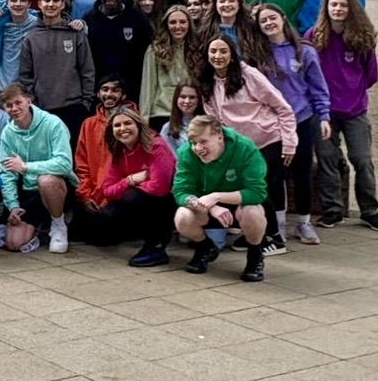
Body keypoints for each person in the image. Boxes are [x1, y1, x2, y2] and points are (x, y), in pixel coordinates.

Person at [198, 36, 296, 256]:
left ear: (232, 54)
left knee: (256, 190)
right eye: (213, 51)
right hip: (241, 149)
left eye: (223, 51)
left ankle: (275, 239)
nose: (218, 56)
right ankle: (255, 234)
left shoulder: (248, 75)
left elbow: (283, 107)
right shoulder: (207, 81)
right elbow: (216, 120)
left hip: (268, 141)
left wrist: (290, 143)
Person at [305, 0, 378, 231]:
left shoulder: (362, 36)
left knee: (362, 159)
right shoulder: (314, 36)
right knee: (327, 160)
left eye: (343, 5)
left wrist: (353, 91)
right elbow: (307, 72)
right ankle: (332, 210)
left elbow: (371, 75)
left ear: (350, 8)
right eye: (333, 5)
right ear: (326, 8)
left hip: (355, 111)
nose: (338, 9)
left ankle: (369, 211)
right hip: (324, 112)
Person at [257, 2, 330, 245]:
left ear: (282, 18)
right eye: (263, 20)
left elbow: (318, 87)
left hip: (301, 119)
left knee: (302, 172)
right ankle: (278, 224)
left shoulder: (304, 50)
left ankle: (304, 223)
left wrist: (324, 116)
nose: (269, 23)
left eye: (272, 18)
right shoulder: (259, 53)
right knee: (275, 174)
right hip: (272, 123)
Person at [173, 115, 269, 282]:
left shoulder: (245, 148)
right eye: (193, 143)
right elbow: (181, 192)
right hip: (206, 206)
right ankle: (204, 247)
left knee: (253, 212)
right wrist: (211, 206)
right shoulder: (185, 153)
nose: (198, 148)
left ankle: (255, 254)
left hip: (238, 202)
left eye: (203, 142)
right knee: (182, 217)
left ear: (219, 137)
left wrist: (216, 197)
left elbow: (257, 192)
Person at [0, 83, 77, 254]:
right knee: (13, 243)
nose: (14, 108)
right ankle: (39, 228)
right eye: (9, 105)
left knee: (46, 180)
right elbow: (7, 173)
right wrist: (12, 205)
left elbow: (64, 163)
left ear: (28, 100)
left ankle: (58, 224)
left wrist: (25, 167)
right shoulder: (7, 133)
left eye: (18, 102)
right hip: (29, 190)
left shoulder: (53, 123)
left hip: (57, 185)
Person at [19, 0, 95, 147]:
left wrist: (86, 102)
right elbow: (25, 76)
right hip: (43, 109)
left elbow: (87, 70)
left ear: (63, 4)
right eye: (46, 0)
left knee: (73, 155)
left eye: (55, 0)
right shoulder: (31, 38)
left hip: (74, 107)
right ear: (39, 4)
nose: (51, 4)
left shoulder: (75, 34)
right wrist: (33, 105)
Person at [99, 107, 177, 266]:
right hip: (138, 195)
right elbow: (107, 190)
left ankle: (156, 244)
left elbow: (159, 187)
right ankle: (140, 237)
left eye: (128, 123)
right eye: (117, 125)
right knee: (105, 218)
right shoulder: (118, 150)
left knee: (133, 197)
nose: (123, 128)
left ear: (138, 125)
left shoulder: (155, 145)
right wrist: (130, 180)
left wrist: (127, 187)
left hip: (169, 201)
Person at [84, 0, 153, 104]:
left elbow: (147, 51)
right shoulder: (89, 20)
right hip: (100, 90)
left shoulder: (138, 18)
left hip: (132, 88)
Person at [73, 75, 128, 235]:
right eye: (105, 89)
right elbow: (81, 165)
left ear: (123, 95)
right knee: (76, 233)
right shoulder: (88, 124)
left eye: (115, 90)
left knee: (101, 235)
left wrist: (108, 198)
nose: (109, 94)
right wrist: (85, 196)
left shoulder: (131, 124)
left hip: (117, 195)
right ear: (98, 94)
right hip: (92, 194)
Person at [140, 5, 198, 131]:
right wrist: (144, 118)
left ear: (189, 24)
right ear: (166, 25)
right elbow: (148, 86)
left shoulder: (197, 49)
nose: (178, 26)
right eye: (172, 22)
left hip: (190, 113)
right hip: (162, 113)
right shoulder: (155, 50)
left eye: (182, 22)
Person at [0, 0, 39, 89]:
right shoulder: (1, 24)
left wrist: (76, 23)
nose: (18, 4)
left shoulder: (38, 23)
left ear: (29, 4)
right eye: (14, 0)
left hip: (29, 85)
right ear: (6, 3)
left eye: (23, 0)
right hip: (5, 84)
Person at [160, 82, 204, 156]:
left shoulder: (209, 125)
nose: (187, 101)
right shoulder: (167, 129)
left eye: (192, 97)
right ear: (176, 99)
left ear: (199, 100)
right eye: (183, 97)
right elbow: (168, 158)